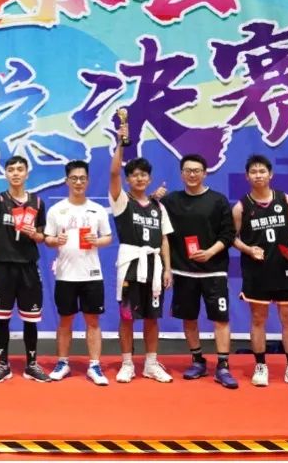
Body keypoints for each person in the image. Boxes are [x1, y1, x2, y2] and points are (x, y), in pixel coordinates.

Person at [159, 154, 238, 389]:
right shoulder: (171, 201)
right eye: (187, 170)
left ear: (205, 173)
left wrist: (210, 252)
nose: (192, 174)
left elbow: (228, 234)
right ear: (181, 174)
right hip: (184, 272)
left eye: (196, 170)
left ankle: (223, 365)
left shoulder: (218, 200)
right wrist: (154, 198)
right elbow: (156, 224)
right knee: (189, 318)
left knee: (220, 319)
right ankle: (197, 360)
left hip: (214, 271)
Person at [232, 154, 288, 389]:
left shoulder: (286, 201)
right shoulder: (241, 207)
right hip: (256, 271)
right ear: (247, 177)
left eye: (262, 171)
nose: (258, 175)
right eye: (253, 172)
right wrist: (248, 249)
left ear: (270, 174)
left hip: (285, 268)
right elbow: (231, 238)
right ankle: (260, 366)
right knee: (258, 319)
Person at [109, 123, 174, 384]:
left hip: (155, 268)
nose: (139, 178)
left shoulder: (158, 207)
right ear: (128, 180)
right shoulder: (122, 201)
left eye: (143, 175)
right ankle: (127, 363)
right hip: (131, 266)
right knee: (127, 317)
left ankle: (150, 363)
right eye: (134, 175)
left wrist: (168, 269)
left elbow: (165, 239)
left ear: (149, 178)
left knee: (152, 318)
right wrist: (120, 143)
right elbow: (114, 172)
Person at [43, 160, 114, 386]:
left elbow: (108, 237)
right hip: (65, 274)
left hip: (91, 274)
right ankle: (62, 363)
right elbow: (47, 239)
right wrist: (56, 240)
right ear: (67, 181)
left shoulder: (97, 209)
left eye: (82, 178)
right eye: (74, 178)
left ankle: (94, 365)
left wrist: (97, 241)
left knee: (93, 320)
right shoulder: (56, 210)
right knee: (65, 320)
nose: (78, 182)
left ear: (88, 181)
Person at [0, 155, 50, 383]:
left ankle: (31, 364)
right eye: (11, 169)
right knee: (2, 317)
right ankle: (3, 364)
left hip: (28, 267)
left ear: (27, 173)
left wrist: (35, 235)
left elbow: (42, 236)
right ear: (5, 174)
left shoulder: (37, 202)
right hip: (3, 266)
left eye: (20, 169)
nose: (15, 173)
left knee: (30, 319)